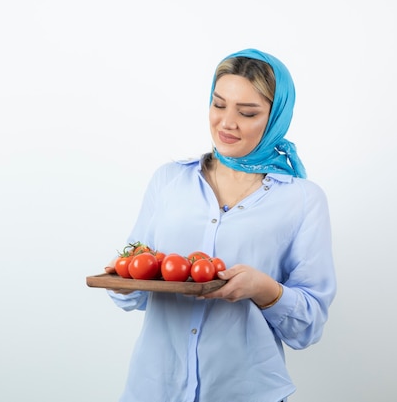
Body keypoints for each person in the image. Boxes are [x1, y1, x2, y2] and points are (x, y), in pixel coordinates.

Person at [104, 48, 337, 402]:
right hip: (153, 389)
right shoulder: (168, 181)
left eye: (247, 112)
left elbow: (307, 327)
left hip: (245, 392)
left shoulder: (303, 200)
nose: (227, 123)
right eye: (218, 104)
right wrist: (122, 281)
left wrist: (264, 289)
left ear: (275, 118)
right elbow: (133, 293)